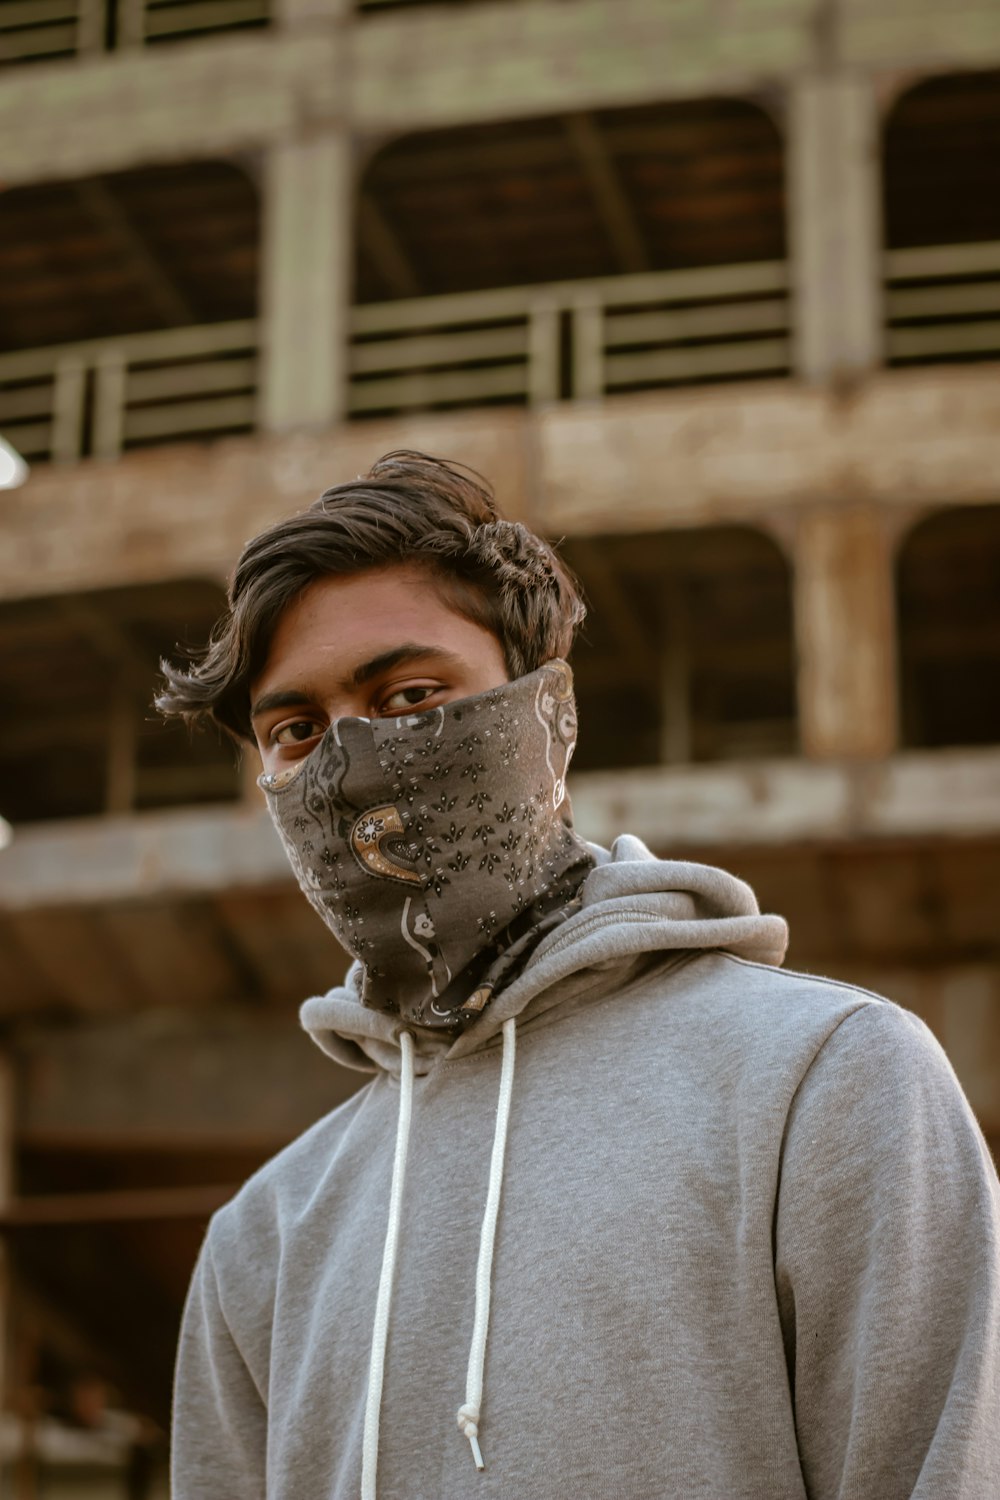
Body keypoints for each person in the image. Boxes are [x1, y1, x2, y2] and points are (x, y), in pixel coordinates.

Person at [160, 451, 1000, 1500]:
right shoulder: (264, 1234)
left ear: (546, 715)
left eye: (411, 694)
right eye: (298, 731)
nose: (351, 761)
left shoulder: (826, 1081)